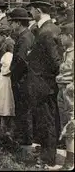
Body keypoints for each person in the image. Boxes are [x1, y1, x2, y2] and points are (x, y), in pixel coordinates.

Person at [26, 0, 63, 168]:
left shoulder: (47, 32)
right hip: (41, 84)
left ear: (38, 10)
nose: (30, 12)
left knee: (47, 121)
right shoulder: (45, 29)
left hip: (45, 85)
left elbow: (56, 62)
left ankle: (48, 158)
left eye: (31, 9)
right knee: (43, 119)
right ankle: (44, 152)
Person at [9, 7, 35, 146]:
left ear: (18, 23)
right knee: (24, 108)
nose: (11, 25)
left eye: (12, 22)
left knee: (23, 108)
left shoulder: (24, 38)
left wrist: (13, 74)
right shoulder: (27, 35)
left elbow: (21, 60)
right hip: (25, 78)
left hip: (22, 79)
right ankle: (24, 136)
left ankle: (25, 139)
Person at [56, 19, 74, 170]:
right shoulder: (66, 53)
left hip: (70, 92)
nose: (61, 38)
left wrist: (69, 89)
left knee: (71, 125)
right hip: (63, 90)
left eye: (63, 35)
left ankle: (69, 161)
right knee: (66, 124)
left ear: (71, 37)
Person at [0, 47, 15, 136]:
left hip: (4, 80)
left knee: (2, 103)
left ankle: (3, 126)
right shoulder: (12, 56)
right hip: (8, 80)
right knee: (8, 104)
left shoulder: (6, 55)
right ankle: (8, 128)